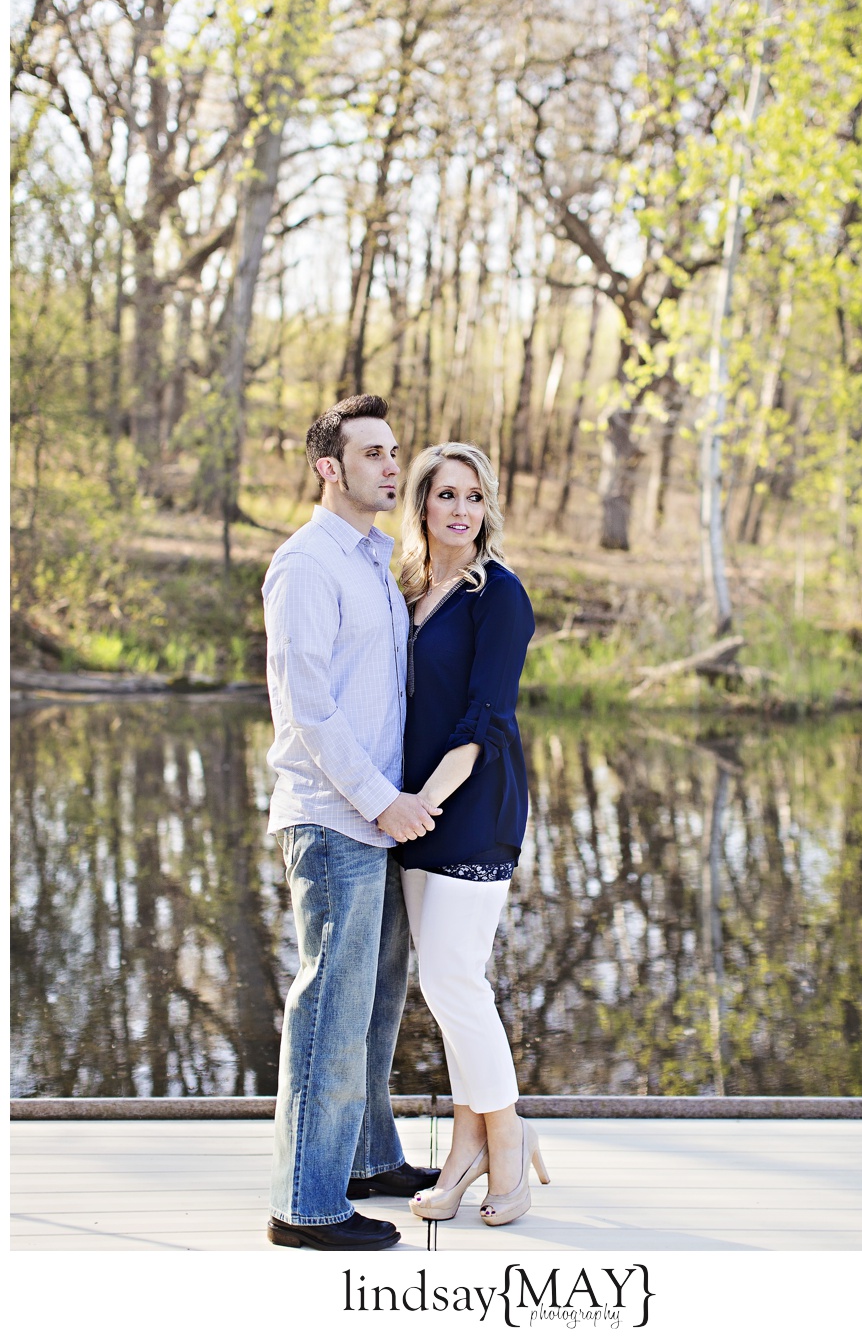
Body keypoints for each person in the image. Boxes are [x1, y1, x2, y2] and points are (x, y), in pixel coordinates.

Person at [262, 393, 441, 1253]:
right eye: (372, 453)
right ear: (329, 467)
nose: (391, 466)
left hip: (381, 821)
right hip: (335, 818)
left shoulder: (373, 558)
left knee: (371, 1007)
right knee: (329, 1008)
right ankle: (305, 1204)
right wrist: (381, 798)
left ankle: (368, 1158)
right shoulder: (307, 566)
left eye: (394, 451)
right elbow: (309, 711)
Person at [388, 442, 550, 1227]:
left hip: (470, 804)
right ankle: (466, 1148)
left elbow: (486, 719)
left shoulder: (500, 595)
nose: (460, 509)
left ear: (487, 509)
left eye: (473, 497)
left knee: (455, 980)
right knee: (445, 989)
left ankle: (507, 1144)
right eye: (446, 494)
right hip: (412, 809)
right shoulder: (412, 587)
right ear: (423, 503)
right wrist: (400, 802)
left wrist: (424, 798)